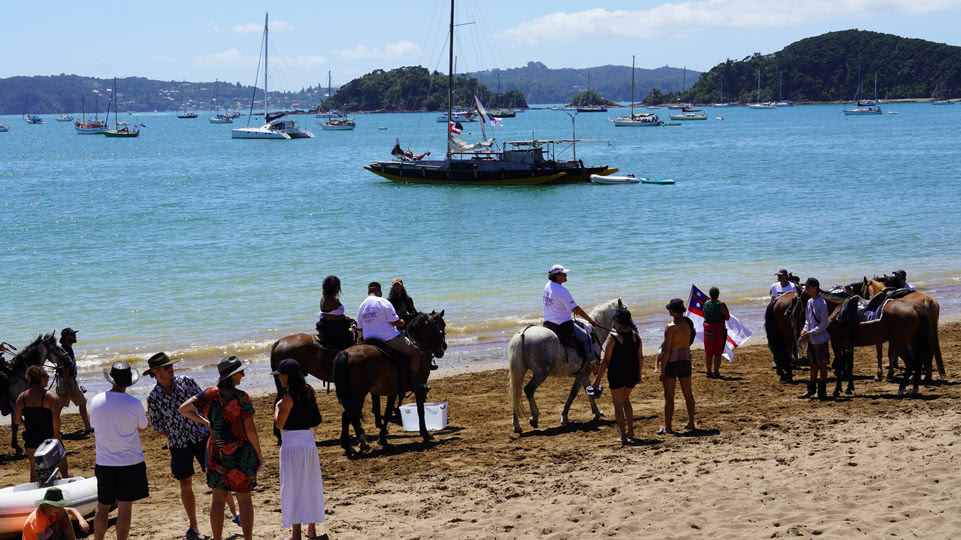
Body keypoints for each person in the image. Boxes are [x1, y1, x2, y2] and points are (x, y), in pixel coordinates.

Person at [145, 352, 239, 540]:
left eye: (171, 366)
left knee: (218, 478)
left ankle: (235, 514)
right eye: (166, 367)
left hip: (202, 437)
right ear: (155, 372)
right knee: (185, 483)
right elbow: (158, 428)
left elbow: (205, 403)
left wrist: (206, 424)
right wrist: (176, 434)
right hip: (179, 445)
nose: (171, 369)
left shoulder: (186, 381)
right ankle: (193, 526)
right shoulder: (153, 397)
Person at [179, 356, 263, 540]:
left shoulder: (208, 394)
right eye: (240, 371)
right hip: (240, 450)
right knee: (244, 498)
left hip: (216, 450)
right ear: (233, 375)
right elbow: (250, 430)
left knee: (217, 499)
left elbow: (183, 409)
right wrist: (258, 453)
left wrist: (205, 422)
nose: (243, 374)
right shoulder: (242, 397)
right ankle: (248, 538)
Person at [89, 361, 149, 540]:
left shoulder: (96, 400)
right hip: (130, 462)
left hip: (105, 462)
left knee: (102, 507)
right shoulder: (134, 403)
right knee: (125, 507)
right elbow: (143, 427)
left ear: (112, 379)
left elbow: (94, 424)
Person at [273, 359, 325, 540]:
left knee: (293, 487)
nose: (279, 378)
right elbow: (316, 420)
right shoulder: (308, 391)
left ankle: (296, 534)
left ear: (285, 376)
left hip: (292, 444)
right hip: (308, 442)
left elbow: (279, 424)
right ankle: (312, 530)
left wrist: (277, 407)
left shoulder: (288, 398)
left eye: (280, 375)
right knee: (311, 485)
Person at [357, 282, 429, 394]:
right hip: (388, 338)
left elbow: (360, 328)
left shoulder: (362, 305)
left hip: (369, 340)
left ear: (368, 291)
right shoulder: (383, 301)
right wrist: (402, 322)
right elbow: (394, 322)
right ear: (379, 291)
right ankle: (416, 383)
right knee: (415, 352)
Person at [591, 307, 643, 446]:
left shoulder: (613, 337)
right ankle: (630, 431)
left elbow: (606, 361)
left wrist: (597, 380)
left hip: (617, 373)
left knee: (618, 404)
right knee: (626, 400)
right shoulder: (636, 336)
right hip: (631, 372)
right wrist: (639, 374)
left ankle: (623, 436)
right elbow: (640, 357)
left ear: (617, 322)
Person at [14, 366, 69, 482]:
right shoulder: (51, 396)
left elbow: (17, 420)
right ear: (42, 378)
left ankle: (34, 496)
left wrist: (27, 424)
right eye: (47, 377)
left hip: (31, 439)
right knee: (63, 468)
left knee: (34, 471)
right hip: (49, 438)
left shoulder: (21, 397)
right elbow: (56, 419)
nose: (48, 379)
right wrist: (56, 435)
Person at [542, 265, 599, 364]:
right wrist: (590, 320)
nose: (566, 275)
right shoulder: (562, 290)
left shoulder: (548, 285)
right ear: (557, 275)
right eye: (564, 274)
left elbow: (556, 303)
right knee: (587, 338)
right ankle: (593, 362)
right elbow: (576, 309)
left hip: (548, 321)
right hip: (562, 324)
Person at [655, 299, 696, 435]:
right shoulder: (689, 323)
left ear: (673, 311)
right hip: (685, 361)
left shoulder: (670, 327)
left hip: (672, 363)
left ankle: (668, 427)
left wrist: (662, 370)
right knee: (688, 395)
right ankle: (691, 422)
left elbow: (666, 351)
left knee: (669, 397)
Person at [799, 278, 831, 401]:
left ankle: (822, 392)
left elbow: (824, 324)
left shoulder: (821, 303)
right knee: (812, 364)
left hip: (820, 339)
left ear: (814, 287)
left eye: (808, 287)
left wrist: (809, 333)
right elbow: (808, 320)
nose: (806, 289)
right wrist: (804, 329)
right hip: (812, 339)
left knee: (822, 365)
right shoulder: (810, 302)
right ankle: (811, 390)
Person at [22, 487, 90, 540]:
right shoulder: (38, 519)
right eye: (55, 505)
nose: (58, 508)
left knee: (63, 511)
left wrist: (81, 519)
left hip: (49, 534)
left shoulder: (53, 510)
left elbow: (71, 510)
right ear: (45, 506)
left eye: (59, 505)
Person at [58, 328, 92, 433]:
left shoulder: (64, 349)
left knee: (58, 407)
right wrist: (69, 387)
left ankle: (54, 428)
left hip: (62, 381)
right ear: (66, 337)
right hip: (67, 381)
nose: (75, 336)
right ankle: (87, 426)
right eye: (72, 334)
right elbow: (66, 370)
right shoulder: (66, 351)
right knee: (82, 402)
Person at [315, 275, 355, 351]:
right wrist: (345, 318)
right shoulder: (332, 300)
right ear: (336, 287)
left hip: (326, 322)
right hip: (335, 325)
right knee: (350, 330)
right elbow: (329, 316)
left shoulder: (325, 297)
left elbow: (330, 314)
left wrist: (345, 317)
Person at [702, 287, 731, 379]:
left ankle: (708, 372)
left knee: (709, 351)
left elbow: (704, 314)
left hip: (708, 328)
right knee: (718, 351)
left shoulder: (706, 303)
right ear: (718, 294)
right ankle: (716, 372)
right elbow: (727, 317)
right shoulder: (721, 304)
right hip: (718, 329)